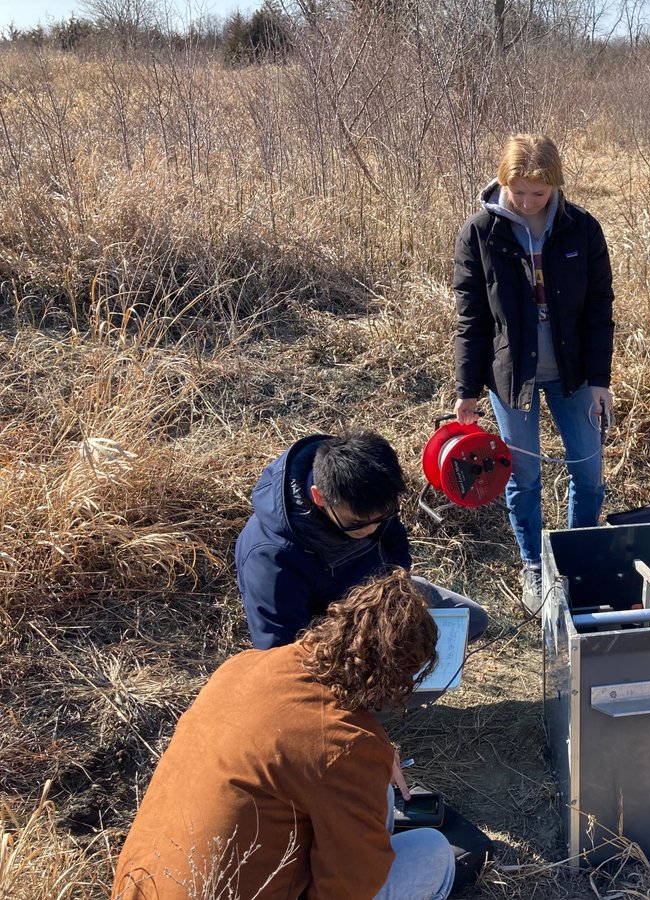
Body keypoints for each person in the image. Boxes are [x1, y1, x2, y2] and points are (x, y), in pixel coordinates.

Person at [111, 569, 457, 900]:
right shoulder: (348, 744)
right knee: (434, 854)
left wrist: (375, 759)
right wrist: (370, 756)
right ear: (397, 681)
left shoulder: (241, 666)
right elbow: (347, 890)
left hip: (141, 886)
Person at [452, 133, 615, 612]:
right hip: (510, 378)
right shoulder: (481, 232)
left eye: (537, 194)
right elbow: (471, 318)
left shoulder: (581, 228)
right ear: (503, 181)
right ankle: (533, 567)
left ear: (556, 186)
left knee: (588, 472)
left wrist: (600, 380)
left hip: (575, 374)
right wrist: (466, 391)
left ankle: (576, 558)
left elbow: (599, 309)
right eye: (517, 191)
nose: (526, 203)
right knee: (523, 477)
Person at [235, 429, 488, 650]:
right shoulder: (271, 555)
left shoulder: (370, 493)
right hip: (335, 633)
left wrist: (396, 589)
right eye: (357, 523)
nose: (372, 529)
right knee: (388, 685)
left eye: (383, 516)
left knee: (471, 621)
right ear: (319, 497)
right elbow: (281, 649)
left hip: (384, 599)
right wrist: (360, 637)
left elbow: (395, 542)